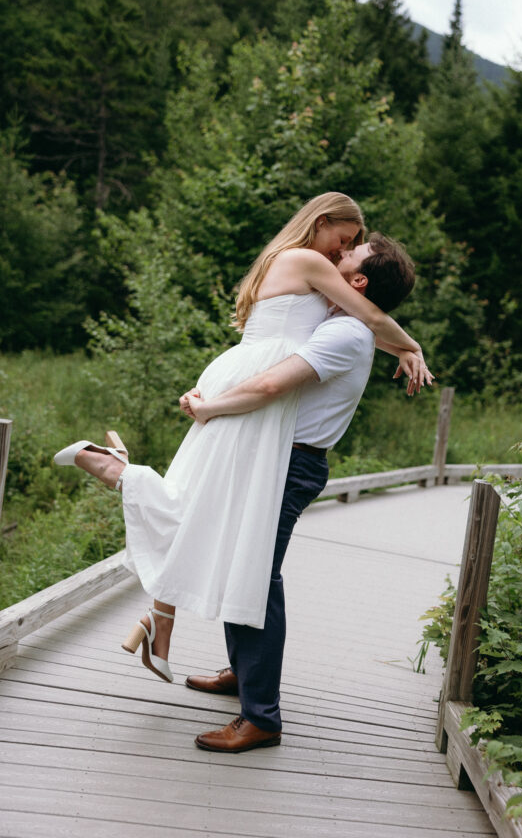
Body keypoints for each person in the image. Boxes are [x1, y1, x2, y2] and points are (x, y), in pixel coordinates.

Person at [54, 194, 428, 686]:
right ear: (321, 224)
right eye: (344, 240)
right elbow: (373, 317)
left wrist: (400, 345)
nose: (344, 252)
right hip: (259, 382)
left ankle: (160, 624)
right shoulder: (309, 260)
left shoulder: (303, 265)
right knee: (204, 513)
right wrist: (412, 346)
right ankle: (118, 473)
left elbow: (364, 319)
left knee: (207, 513)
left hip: (252, 378)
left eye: (351, 249)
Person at [177, 232, 427, 752]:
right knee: (239, 565)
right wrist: (406, 344)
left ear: (357, 281)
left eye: (345, 257)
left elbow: (270, 384)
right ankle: (244, 675)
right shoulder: (342, 323)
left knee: (258, 577)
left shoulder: (345, 335)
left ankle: (261, 716)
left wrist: (209, 408)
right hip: (274, 458)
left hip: (290, 465)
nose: (333, 258)